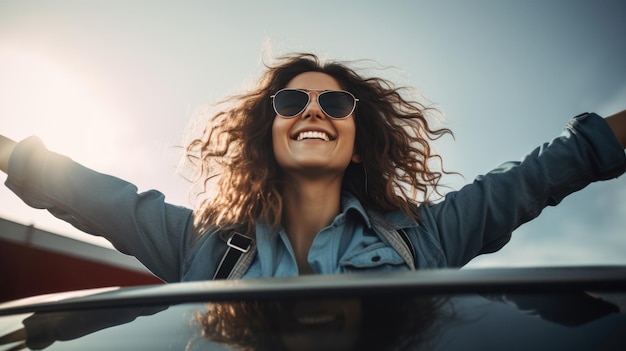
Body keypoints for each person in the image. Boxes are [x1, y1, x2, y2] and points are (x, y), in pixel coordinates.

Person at [1, 53, 625, 283]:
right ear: (268, 134)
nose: (314, 110)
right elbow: (83, 190)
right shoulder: (202, 246)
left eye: (336, 102)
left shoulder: (425, 238)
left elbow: (549, 169)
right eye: (291, 100)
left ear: (357, 143)